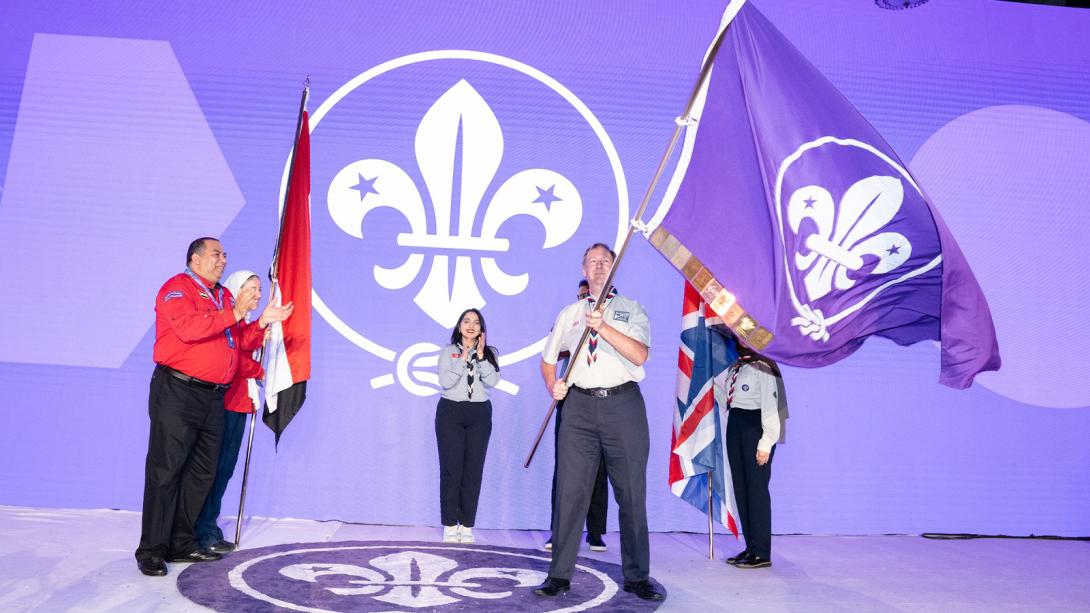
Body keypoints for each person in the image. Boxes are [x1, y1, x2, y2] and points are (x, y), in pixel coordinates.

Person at [135, 238, 292, 577]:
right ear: (195, 259)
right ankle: (152, 549)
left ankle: (182, 542)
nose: (223, 260)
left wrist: (261, 322)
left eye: (225, 255)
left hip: (213, 396)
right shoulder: (178, 289)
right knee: (166, 470)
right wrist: (234, 313)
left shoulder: (222, 296)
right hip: (178, 390)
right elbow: (188, 329)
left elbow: (238, 343)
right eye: (216, 254)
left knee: (202, 472)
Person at [534, 243, 664, 601]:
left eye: (605, 261)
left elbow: (639, 354)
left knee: (631, 493)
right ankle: (558, 576)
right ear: (583, 268)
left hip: (623, 405)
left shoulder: (631, 309)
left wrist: (603, 327)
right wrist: (553, 384)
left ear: (614, 266)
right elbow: (548, 359)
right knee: (570, 492)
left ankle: (637, 577)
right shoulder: (570, 313)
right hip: (578, 408)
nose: (599, 266)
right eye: (592, 261)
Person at [193, 270, 265, 554]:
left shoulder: (244, 323)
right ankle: (200, 529)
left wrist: (262, 325)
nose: (257, 295)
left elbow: (246, 346)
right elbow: (234, 360)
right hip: (224, 403)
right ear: (235, 291)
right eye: (251, 289)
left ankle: (208, 525)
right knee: (213, 468)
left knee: (224, 469)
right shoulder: (227, 321)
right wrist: (261, 371)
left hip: (239, 403)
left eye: (259, 289)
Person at [544, 278, 608, 553]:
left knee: (599, 467)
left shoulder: (610, 319)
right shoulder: (569, 318)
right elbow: (553, 353)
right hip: (572, 396)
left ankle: (595, 532)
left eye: (590, 295)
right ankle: (558, 530)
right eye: (583, 296)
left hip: (602, 399)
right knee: (566, 467)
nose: (586, 300)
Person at [713, 338, 788, 569]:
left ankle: (762, 552)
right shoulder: (736, 366)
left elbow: (771, 408)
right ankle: (751, 547)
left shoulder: (764, 367)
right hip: (736, 425)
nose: (740, 340)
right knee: (741, 490)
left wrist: (766, 443)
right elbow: (725, 397)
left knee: (756, 490)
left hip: (755, 428)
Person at [436, 308, 500, 544]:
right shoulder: (448, 351)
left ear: (481, 328)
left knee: (473, 471)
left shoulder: (490, 353)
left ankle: (467, 524)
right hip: (451, 411)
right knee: (451, 470)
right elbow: (445, 381)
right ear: (459, 326)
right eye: (466, 321)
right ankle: (449, 524)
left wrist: (480, 357)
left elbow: (493, 381)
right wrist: (463, 358)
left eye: (476, 322)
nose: (471, 325)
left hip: (479, 413)